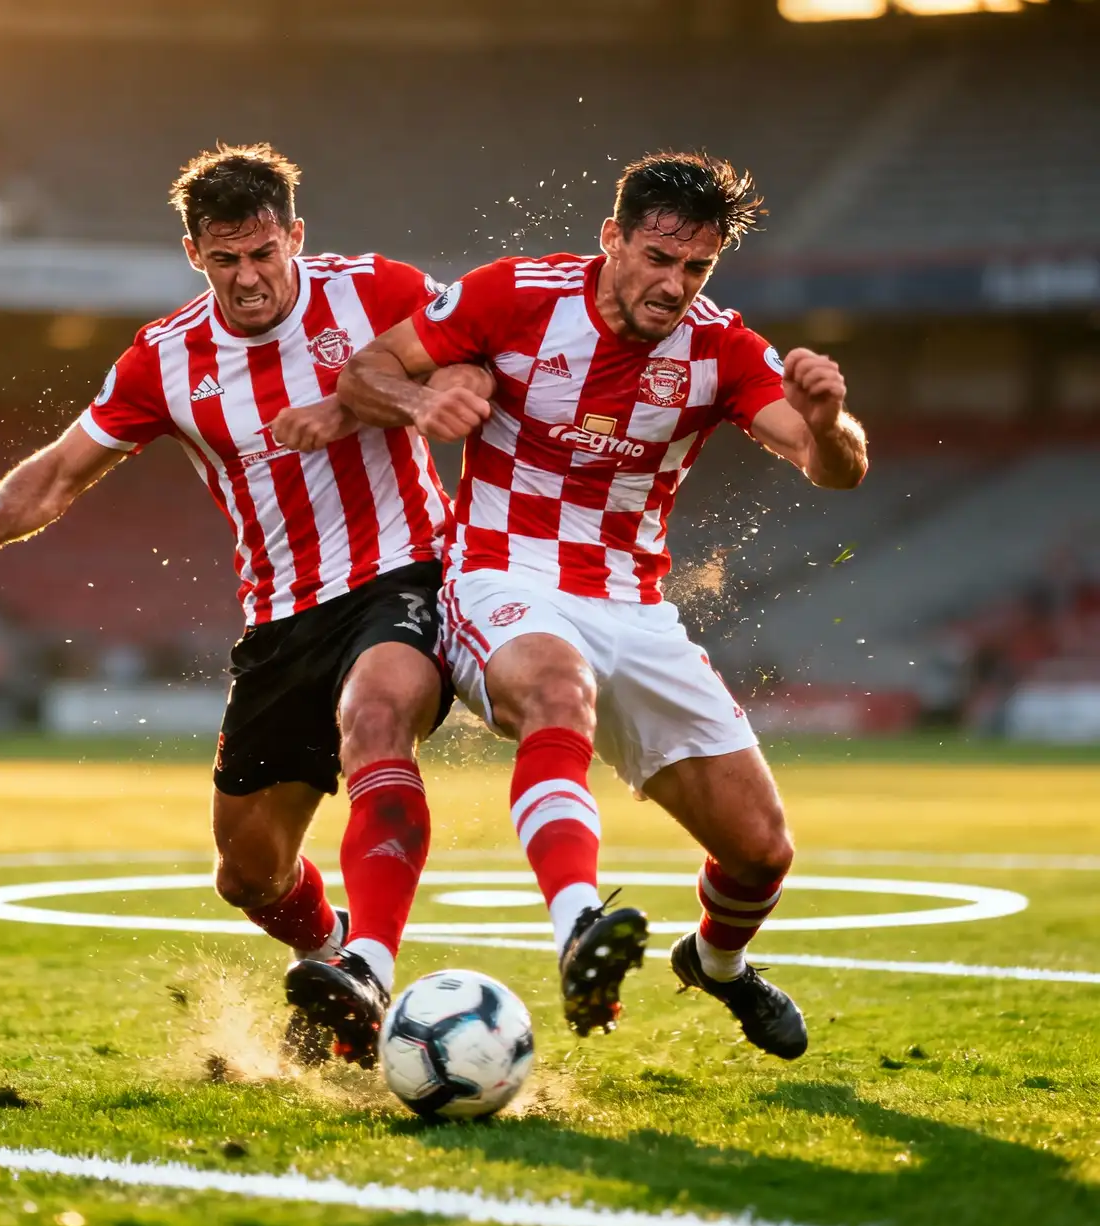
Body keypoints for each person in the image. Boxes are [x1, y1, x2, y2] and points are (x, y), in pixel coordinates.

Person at [0, 143, 486, 1069]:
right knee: (248, 873)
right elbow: (60, 471)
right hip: (282, 615)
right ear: (193, 255)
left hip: (406, 574)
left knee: (377, 716)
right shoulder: (165, 359)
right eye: (225, 259)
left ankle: (369, 969)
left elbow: (481, 362)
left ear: (296, 236)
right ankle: (328, 952)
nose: (248, 277)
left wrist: (396, 402)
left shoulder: (379, 291)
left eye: (263, 253)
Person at [327, 152, 868, 1058]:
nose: (675, 285)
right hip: (503, 573)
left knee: (762, 851)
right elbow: (361, 374)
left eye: (696, 267)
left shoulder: (722, 347)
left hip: (634, 606)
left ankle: (718, 964)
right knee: (556, 685)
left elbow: (832, 468)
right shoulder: (514, 295)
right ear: (612, 238)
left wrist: (826, 420)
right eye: (659, 257)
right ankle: (581, 924)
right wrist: (420, 401)